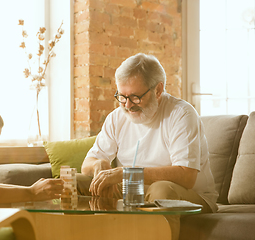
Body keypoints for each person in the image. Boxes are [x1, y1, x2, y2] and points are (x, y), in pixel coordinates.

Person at [79, 53, 218, 240]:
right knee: (76, 183)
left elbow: (187, 176)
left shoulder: (181, 114)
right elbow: (87, 163)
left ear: (158, 90)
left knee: (161, 191)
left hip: (189, 195)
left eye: (135, 97)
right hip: (132, 189)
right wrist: (98, 165)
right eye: (121, 96)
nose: (127, 105)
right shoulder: (116, 117)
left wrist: (126, 173)